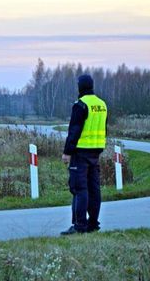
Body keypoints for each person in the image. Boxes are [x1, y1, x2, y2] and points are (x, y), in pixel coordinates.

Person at [60, 74, 107, 235]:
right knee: (94, 189)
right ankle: (93, 223)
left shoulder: (81, 105)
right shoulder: (102, 105)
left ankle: (79, 226)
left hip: (80, 153)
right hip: (96, 152)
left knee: (79, 189)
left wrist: (67, 152)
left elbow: (74, 131)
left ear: (80, 87)